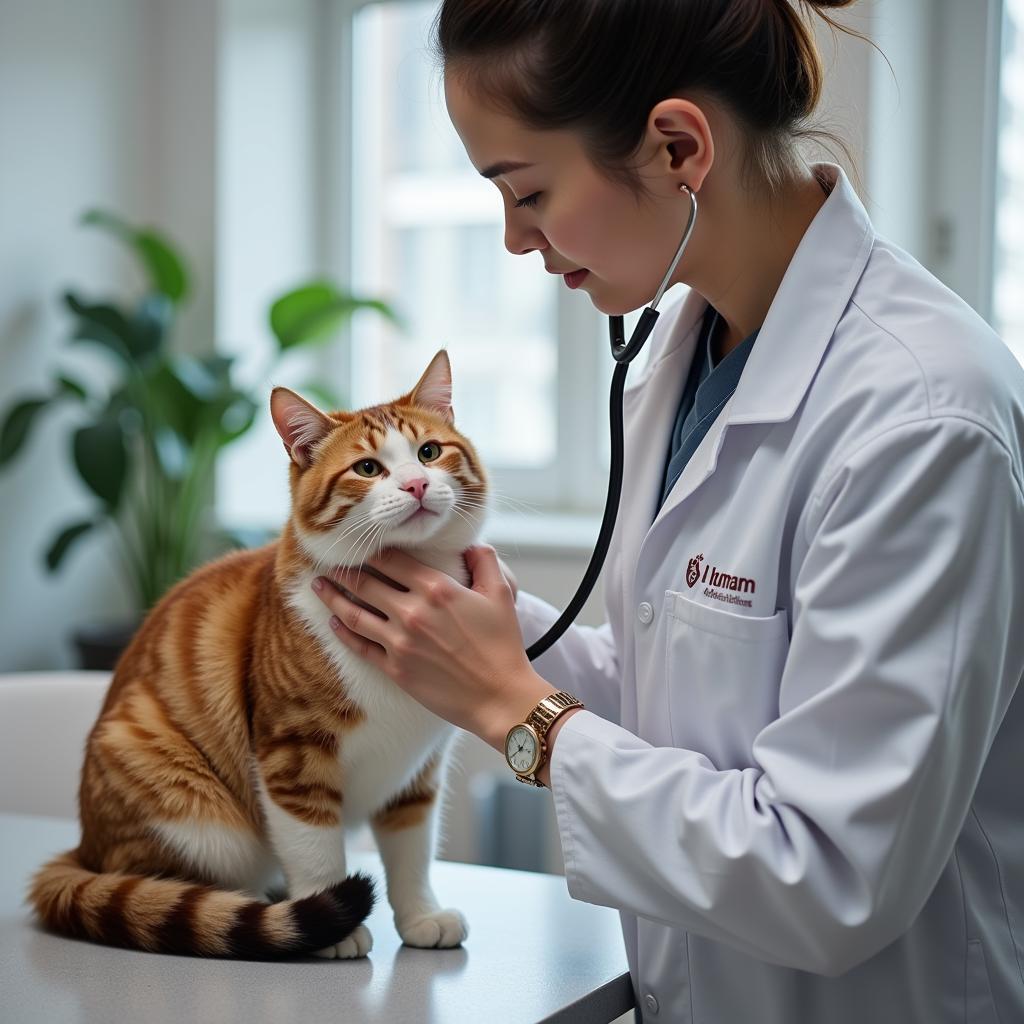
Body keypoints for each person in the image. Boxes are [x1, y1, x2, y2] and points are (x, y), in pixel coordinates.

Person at [310, 1, 1024, 1020]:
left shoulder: (921, 417)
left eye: (527, 192)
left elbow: (829, 876)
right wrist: (487, 636)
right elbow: (685, 694)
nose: (513, 241)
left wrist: (519, 716)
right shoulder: (684, 356)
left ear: (678, 146)